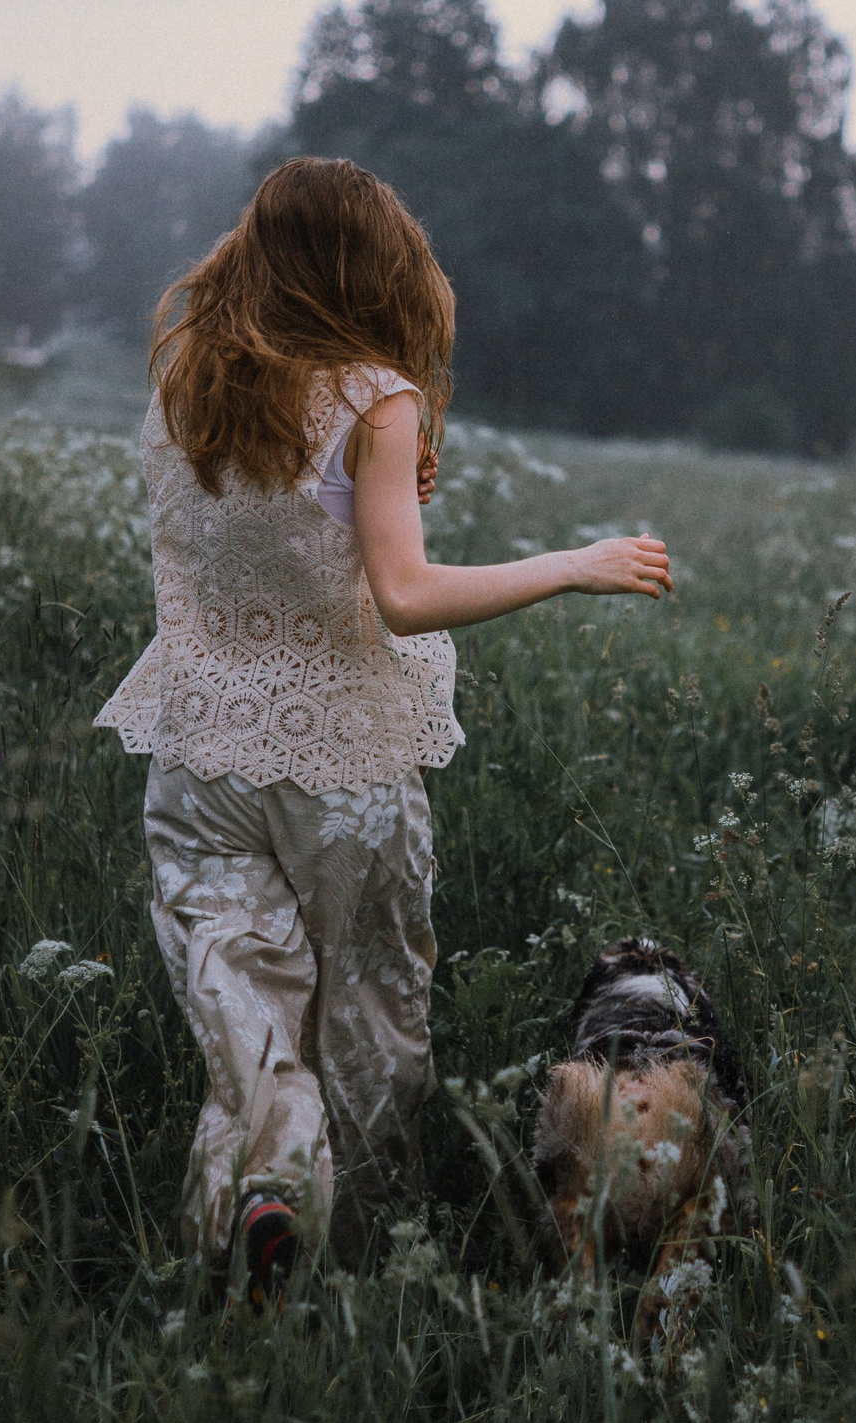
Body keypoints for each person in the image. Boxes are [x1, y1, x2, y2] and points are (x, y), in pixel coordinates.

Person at [94, 157, 673, 1298]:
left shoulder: (186, 386)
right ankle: (365, 1281)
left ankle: (260, 1212)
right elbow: (403, 594)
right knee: (368, 1021)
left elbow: (266, 535)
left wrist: (379, 498)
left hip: (198, 751)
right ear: (369, 267)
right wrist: (575, 564)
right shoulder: (373, 397)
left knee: (242, 1009)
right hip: (339, 757)